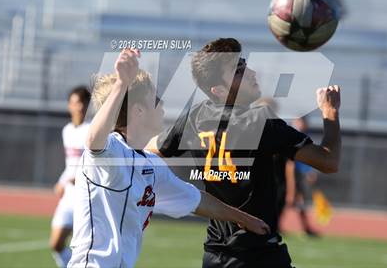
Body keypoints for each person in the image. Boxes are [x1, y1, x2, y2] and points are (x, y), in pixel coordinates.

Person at [147, 38, 341, 268]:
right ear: (219, 90)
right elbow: (328, 161)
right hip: (258, 255)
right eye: (237, 71)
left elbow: (151, 150)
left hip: (214, 256)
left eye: (244, 63)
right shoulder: (259, 120)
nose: (250, 72)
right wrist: (330, 113)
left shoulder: (196, 116)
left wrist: (177, 186)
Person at [67, 49, 270, 268]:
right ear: (138, 111)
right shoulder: (112, 151)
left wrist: (245, 218)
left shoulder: (151, 165)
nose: (162, 104)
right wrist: (121, 85)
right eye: (155, 99)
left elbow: (196, 199)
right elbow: (94, 141)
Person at [50, 86, 91, 268]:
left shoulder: (91, 131)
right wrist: (61, 182)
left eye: (81, 103)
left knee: (83, 249)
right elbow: (70, 164)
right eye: (75, 103)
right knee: (56, 244)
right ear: (69, 106)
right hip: (68, 196)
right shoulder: (66, 130)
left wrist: (81, 177)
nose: (78, 107)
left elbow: (94, 164)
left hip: (86, 197)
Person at [284, 117, 320, 237]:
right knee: (286, 201)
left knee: (299, 202)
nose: (301, 124)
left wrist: (309, 171)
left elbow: (306, 159)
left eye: (302, 121)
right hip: (287, 175)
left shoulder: (304, 138)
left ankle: (306, 228)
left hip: (298, 175)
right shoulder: (289, 135)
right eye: (299, 121)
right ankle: (275, 225)